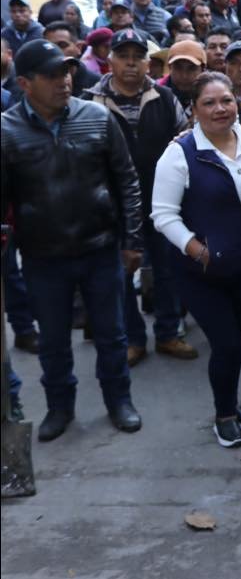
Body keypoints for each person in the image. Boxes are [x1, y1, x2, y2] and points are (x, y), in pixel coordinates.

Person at [1, 39, 145, 442]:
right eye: (52, 75)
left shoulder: (97, 118)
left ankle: (119, 401)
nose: (64, 80)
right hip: (43, 257)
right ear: (26, 83)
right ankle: (59, 407)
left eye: (66, 71)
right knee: (53, 340)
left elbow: (127, 180)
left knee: (112, 334)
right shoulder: (7, 131)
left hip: (100, 249)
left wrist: (132, 240)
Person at [152, 71, 241, 447]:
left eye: (225, 100)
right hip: (200, 273)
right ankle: (224, 415)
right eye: (208, 102)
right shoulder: (180, 153)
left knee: (234, 340)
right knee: (226, 343)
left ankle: (231, 403)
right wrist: (199, 251)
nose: (219, 109)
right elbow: (163, 215)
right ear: (193, 110)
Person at [80, 28, 194, 366]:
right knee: (120, 273)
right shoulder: (92, 102)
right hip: (111, 205)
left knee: (167, 268)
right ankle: (132, 338)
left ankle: (168, 333)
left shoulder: (165, 98)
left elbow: (184, 141)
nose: (131, 64)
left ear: (148, 63)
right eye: (123, 56)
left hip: (162, 200)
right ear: (110, 61)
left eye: (137, 57)